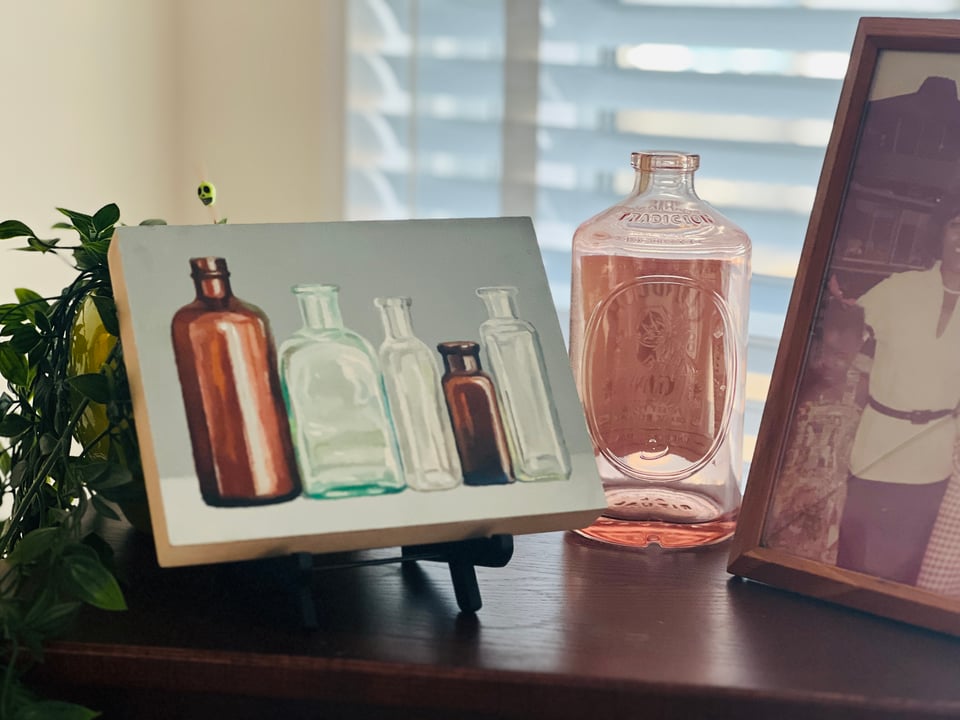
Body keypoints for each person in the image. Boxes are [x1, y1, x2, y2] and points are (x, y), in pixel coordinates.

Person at [829, 201, 960, 586]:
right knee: (852, 560)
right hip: (875, 446)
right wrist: (840, 313)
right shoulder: (898, 289)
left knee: (903, 572)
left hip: (933, 457)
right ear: (941, 232)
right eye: (957, 225)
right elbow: (845, 342)